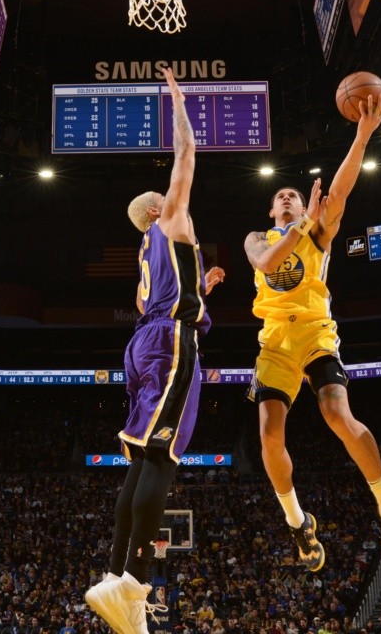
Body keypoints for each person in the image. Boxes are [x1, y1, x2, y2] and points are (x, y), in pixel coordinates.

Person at [243, 91, 381, 573]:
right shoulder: (260, 237)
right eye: (280, 197)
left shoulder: (318, 233)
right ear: (273, 211)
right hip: (274, 342)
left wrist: (361, 135)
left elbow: (338, 192)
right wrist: (299, 226)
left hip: (316, 332)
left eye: (292, 194)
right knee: (269, 437)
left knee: (338, 415)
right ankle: (298, 524)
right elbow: (264, 262)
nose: (287, 197)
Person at [85, 67, 225, 634]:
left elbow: (173, 294)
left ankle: (114, 575)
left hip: (144, 344)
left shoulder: (149, 251)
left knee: (142, 459)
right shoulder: (170, 220)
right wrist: (177, 97)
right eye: (168, 198)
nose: (178, 200)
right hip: (170, 342)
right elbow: (187, 151)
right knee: (163, 460)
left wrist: (203, 290)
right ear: (156, 209)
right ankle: (134, 587)